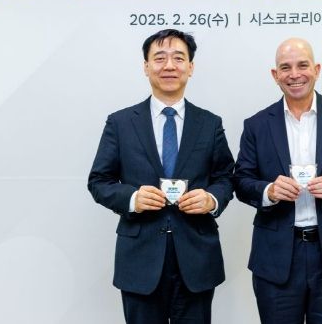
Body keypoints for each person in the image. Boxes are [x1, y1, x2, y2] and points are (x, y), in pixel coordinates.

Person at [88, 29, 234, 324]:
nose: (169, 66)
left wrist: (211, 199)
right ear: (146, 66)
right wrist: (132, 198)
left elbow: (226, 177)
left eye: (178, 58)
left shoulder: (209, 123)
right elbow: (99, 181)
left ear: (190, 67)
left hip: (195, 257)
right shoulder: (121, 123)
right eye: (159, 58)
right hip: (140, 258)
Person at [234, 37, 322, 324]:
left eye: (302, 65)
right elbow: (241, 181)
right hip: (276, 257)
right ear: (275, 75)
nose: (295, 74)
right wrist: (269, 191)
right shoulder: (256, 125)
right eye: (285, 67)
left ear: (317, 69)